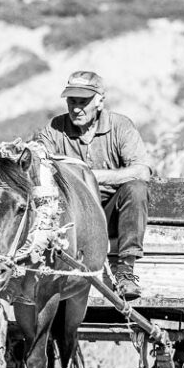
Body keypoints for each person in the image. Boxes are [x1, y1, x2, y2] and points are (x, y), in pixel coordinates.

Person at [33, 70, 152, 299]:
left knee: (136, 189)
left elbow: (142, 171)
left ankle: (125, 271)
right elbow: (39, 161)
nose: (76, 108)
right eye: (72, 101)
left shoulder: (120, 126)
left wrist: (90, 175)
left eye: (83, 102)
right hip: (74, 218)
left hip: (111, 215)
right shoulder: (55, 128)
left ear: (99, 101)